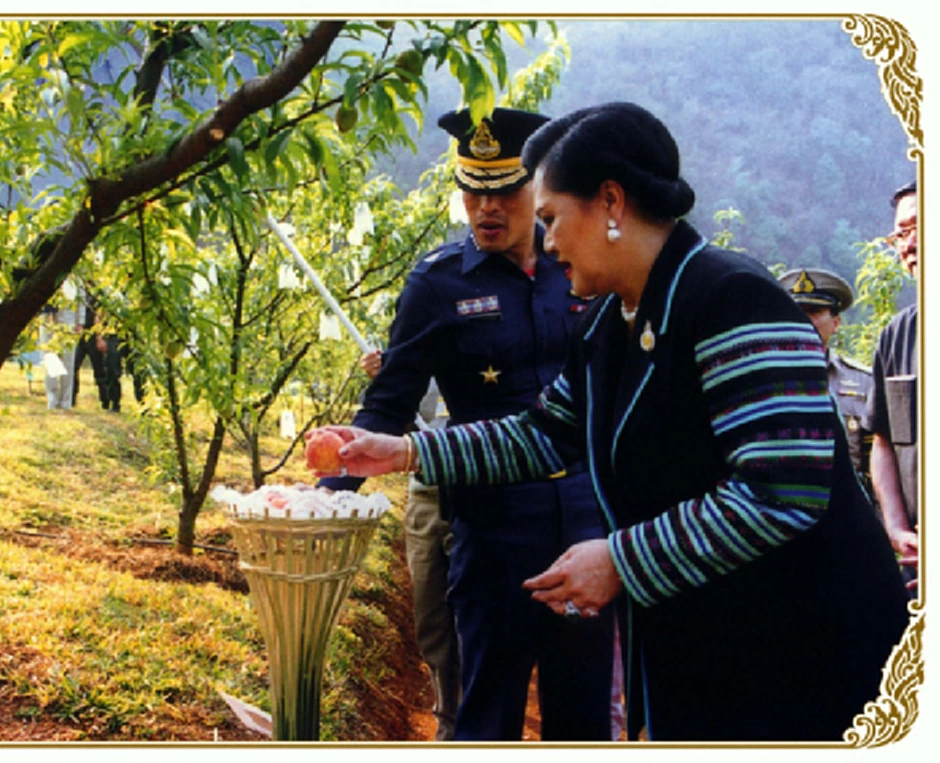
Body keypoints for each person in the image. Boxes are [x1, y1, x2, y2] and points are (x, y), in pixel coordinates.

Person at [311, 102, 909, 741]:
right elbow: (543, 434)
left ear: (611, 203)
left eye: (551, 218)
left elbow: (782, 492)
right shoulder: (610, 322)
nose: (548, 243)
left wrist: (623, 559)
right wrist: (403, 452)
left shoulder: (732, 297)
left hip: (803, 649)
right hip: (714, 641)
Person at [319, 107, 614, 742]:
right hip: (492, 530)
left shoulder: (582, 267)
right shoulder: (437, 284)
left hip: (590, 525)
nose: (487, 208)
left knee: (584, 717)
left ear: (537, 187)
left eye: (505, 191)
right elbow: (389, 402)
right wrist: (325, 499)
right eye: (473, 192)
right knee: (487, 714)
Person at [357, 350, 461, 740]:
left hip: (478, 495)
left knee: (475, 615)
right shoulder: (416, 355)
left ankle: (480, 722)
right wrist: (385, 381)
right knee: (433, 618)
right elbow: (395, 423)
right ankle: (448, 720)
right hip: (426, 496)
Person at [863, 181, 919, 591]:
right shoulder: (897, 335)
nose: (909, 244)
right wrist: (897, 529)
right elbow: (882, 441)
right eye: (901, 234)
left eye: (919, 228)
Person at [777, 268, 875, 497]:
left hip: (850, 508)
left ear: (836, 323)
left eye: (814, 312)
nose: (804, 320)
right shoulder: (763, 382)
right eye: (796, 311)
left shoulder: (864, 383)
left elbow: (878, 466)